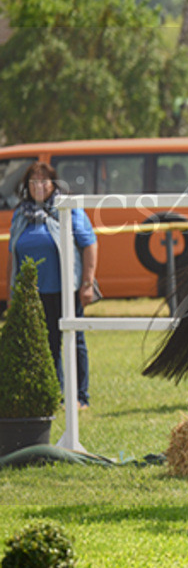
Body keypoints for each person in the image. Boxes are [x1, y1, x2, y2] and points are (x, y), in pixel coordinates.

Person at [7, 162, 96, 408]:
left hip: (67, 289)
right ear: (26, 186)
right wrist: (10, 291)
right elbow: (12, 254)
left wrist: (88, 283)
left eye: (44, 180)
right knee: (46, 344)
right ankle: (55, 394)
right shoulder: (20, 214)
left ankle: (80, 396)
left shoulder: (67, 209)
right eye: (33, 181)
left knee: (73, 340)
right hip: (33, 293)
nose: (39, 185)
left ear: (53, 183)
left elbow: (89, 244)